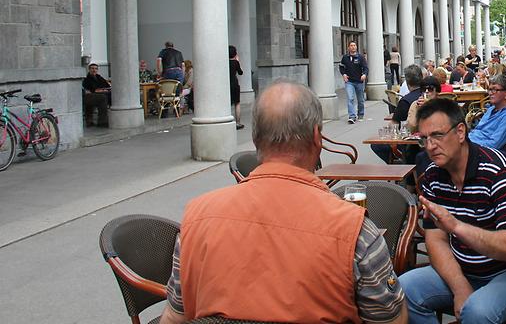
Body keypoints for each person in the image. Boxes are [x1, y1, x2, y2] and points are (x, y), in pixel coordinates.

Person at [158, 81, 407, 324]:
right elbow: (391, 318)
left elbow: (174, 315)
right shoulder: (356, 230)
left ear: (256, 139)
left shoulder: (196, 218)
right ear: (317, 138)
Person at [399, 99, 506, 323]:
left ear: (460, 132)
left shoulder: (500, 171)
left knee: (477, 311)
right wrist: (460, 287)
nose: (430, 146)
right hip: (467, 271)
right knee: (401, 292)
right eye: (424, 139)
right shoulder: (433, 175)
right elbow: (436, 239)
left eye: (437, 135)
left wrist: (455, 226)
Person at [374, 65, 424, 163]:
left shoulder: (406, 101)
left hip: (410, 142)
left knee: (377, 145)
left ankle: (397, 164)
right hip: (426, 139)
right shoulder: (427, 95)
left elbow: (393, 124)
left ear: (407, 81)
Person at [468, 75, 506, 150]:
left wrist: (467, 144)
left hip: (481, 152)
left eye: (494, 90)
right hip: (470, 143)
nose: (490, 93)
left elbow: (494, 144)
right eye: (489, 89)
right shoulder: (491, 109)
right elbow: (478, 130)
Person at [339, 40, 368, 125]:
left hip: (359, 81)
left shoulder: (361, 57)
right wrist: (343, 74)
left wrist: (364, 75)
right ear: (348, 47)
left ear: (356, 47)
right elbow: (341, 67)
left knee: (360, 100)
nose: (353, 47)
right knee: (350, 98)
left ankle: (360, 114)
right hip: (349, 82)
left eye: (354, 45)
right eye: (351, 45)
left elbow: (366, 68)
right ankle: (352, 116)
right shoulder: (345, 58)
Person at [228, 46, 244, 130]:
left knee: (228, 104)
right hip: (235, 84)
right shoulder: (235, 62)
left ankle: (227, 121)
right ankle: (238, 123)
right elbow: (241, 72)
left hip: (227, 85)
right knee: (237, 103)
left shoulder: (225, 62)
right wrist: (238, 61)